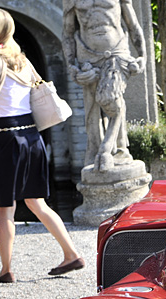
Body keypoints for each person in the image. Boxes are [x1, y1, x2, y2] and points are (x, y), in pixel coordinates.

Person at [0, 6, 84, 284]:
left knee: (4, 208)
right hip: (32, 137)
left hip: (8, 139)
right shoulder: (21, 60)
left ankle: (5, 270)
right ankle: (71, 253)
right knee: (37, 202)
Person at [61, 0, 148, 172]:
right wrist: (71, 65)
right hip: (87, 55)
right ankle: (98, 154)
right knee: (92, 110)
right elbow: (68, 33)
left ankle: (109, 149)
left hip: (116, 51)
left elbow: (133, 25)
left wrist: (143, 56)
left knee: (110, 98)